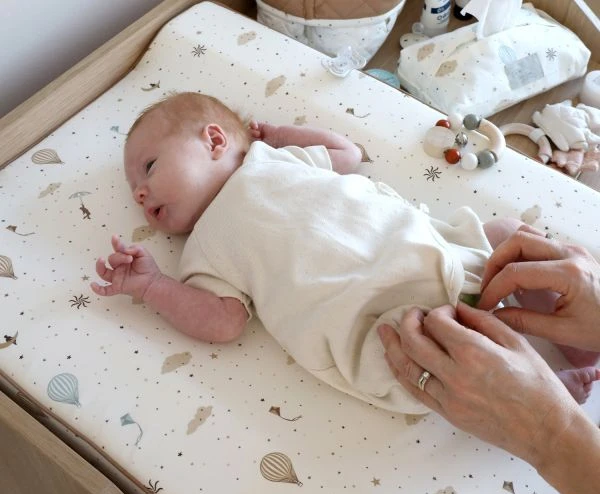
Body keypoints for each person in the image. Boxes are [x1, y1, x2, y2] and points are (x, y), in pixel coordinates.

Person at [91, 91, 598, 414]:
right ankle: (550, 390)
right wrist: (155, 286)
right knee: (465, 360)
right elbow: (224, 322)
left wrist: (279, 135)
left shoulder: (273, 160)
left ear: (215, 140)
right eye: (135, 190)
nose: (140, 192)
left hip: (426, 247)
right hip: (386, 318)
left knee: (509, 236)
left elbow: (347, 155)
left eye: (149, 168)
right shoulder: (203, 250)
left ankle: (573, 333)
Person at [378, 228, 600, 494]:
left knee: (501, 242)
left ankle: (549, 376)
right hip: (426, 279)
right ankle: (565, 347)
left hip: (423, 261)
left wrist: (551, 427)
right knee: (505, 236)